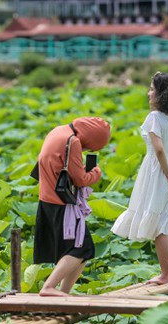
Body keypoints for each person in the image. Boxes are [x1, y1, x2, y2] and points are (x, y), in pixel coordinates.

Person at [111, 72, 168, 285]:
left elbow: (159, 149)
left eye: (152, 89)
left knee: (159, 224)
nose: (148, 93)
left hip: (160, 170)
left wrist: (167, 173)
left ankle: (164, 274)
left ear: (161, 93)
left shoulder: (153, 118)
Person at [34, 117, 111, 297]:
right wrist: (96, 173)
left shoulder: (58, 131)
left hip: (47, 200)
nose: (87, 149)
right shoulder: (73, 141)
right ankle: (49, 287)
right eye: (91, 146)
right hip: (62, 203)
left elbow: (61, 167)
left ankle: (63, 293)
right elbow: (80, 180)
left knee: (82, 252)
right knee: (82, 249)